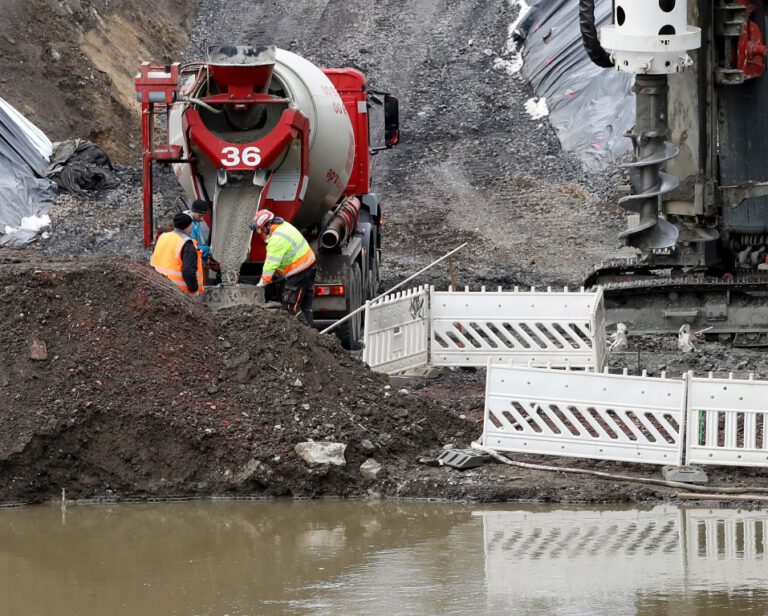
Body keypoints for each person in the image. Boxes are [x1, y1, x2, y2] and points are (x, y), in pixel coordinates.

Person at [250, 209, 316, 325]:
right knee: (305, 305)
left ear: (269, 224)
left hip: (298, 273)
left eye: (262, 229)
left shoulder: (277, 240)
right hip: (308, 267)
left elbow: (270, 265)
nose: (260, 231)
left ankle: (306, 335)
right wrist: (261, 234)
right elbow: (269, 237)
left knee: (290, 307)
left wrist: (261, 284)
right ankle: (312, 334)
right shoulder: (283, 226)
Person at [150, 212, 204, 295]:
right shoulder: (187, 243)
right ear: (187, 226)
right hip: (177, 292)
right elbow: (188, 271)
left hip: (157, 284)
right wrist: (194, 289)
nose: (192, 226)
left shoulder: (163, 236)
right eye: (191, 224)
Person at [186, 199, 211, 265]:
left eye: (203, 216)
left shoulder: (195, 222)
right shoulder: (188, 225)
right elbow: (192, 248)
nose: (202, 219)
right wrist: (209, 250)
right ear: (193, 211)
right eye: (200, 215)